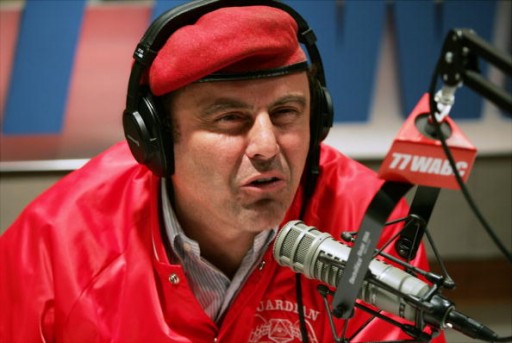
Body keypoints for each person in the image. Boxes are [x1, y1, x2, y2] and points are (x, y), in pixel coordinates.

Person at [0, 1, 446, 342]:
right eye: (230, 119)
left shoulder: (369, 223)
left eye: (287, 112)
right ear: (155, 139)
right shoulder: (54, 245)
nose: (268, 147)